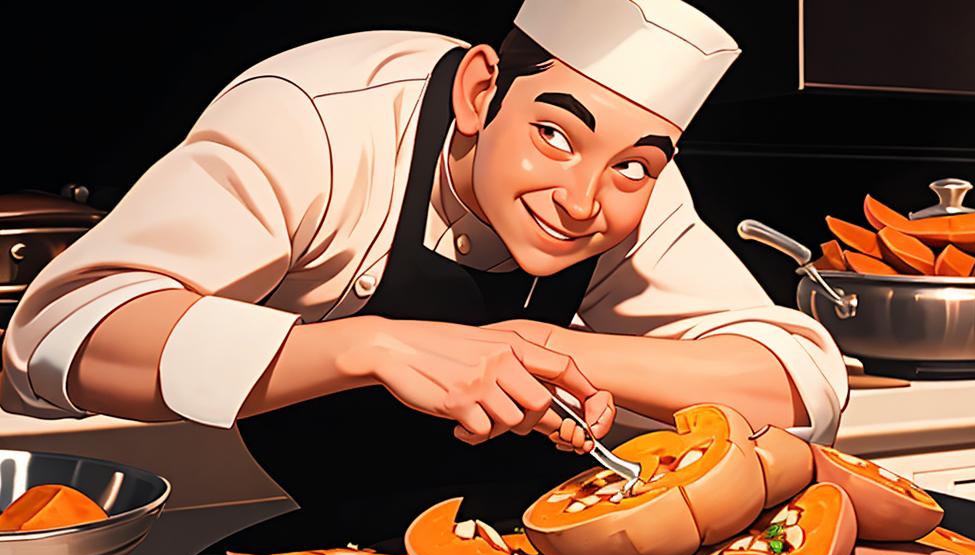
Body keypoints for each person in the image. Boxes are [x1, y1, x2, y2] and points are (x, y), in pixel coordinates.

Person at [1, 0, 847, 520]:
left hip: (495, 544)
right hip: (252, 524)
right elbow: (57, 336)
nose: (585, 200)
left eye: (633, 164)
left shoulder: (631, 189)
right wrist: (371, 345)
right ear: (482, 91)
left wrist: (542, 352)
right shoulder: (317, 121)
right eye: (554, 136)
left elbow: (799, 382)